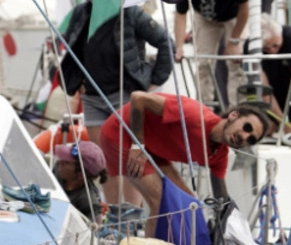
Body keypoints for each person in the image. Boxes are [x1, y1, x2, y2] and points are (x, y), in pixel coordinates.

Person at [98, 91, 272, 236]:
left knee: (190, 206)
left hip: (153, 148)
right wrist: (138, 145)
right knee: (161, 202)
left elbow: (222, 200)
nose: (244, 136)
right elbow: (138, 98)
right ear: (233, 115)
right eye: (246, 127)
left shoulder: (219, 155)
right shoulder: (194, 115)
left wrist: (234, 228)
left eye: (251, 139)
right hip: (123, 135)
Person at [59, 0, 174, 206]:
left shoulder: (131, 12)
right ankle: (113, 215)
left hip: (124, 94)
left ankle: (132, 215)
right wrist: (76, 80)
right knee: (104, 161)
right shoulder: (81, 12)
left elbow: (166, 42)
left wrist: (153, 83)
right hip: (92, 97)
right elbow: (72, 48)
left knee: (128, 158)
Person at [174, 0, 249, 109]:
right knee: (203, 63)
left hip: (234, 16)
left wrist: (234, 41)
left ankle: (238, 109)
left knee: (236, 63)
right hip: (205, 18)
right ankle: (204, 108)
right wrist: (179, 45)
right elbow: (181, 14)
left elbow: (244, 8)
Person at [252, 14, 291, 143]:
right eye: (266, 48)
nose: (271, 51)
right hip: (273, 89)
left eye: (275, 45)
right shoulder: (252, 46)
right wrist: (283, 122)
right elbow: (264, 89)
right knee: (268, 126)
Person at [53, 141, 108, 222]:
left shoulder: (88, 202)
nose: (61, 162)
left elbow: (95, 227)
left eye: (67, 162)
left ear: (81, 175)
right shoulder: (58, 170)